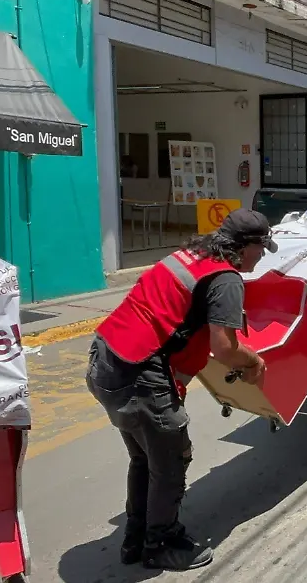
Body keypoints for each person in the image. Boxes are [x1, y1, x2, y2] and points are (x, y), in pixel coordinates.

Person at [87, 209, 274, 570]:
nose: (262, 256)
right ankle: (161, 542)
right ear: (244, 246)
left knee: (145, 457)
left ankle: (135, 539)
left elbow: (175, 322)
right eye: (261, 248)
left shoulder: (193, 256)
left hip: (107, 358)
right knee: (172, 460)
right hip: (137, 370)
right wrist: (253, 362)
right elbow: (224, 348)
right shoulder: (226, 279)